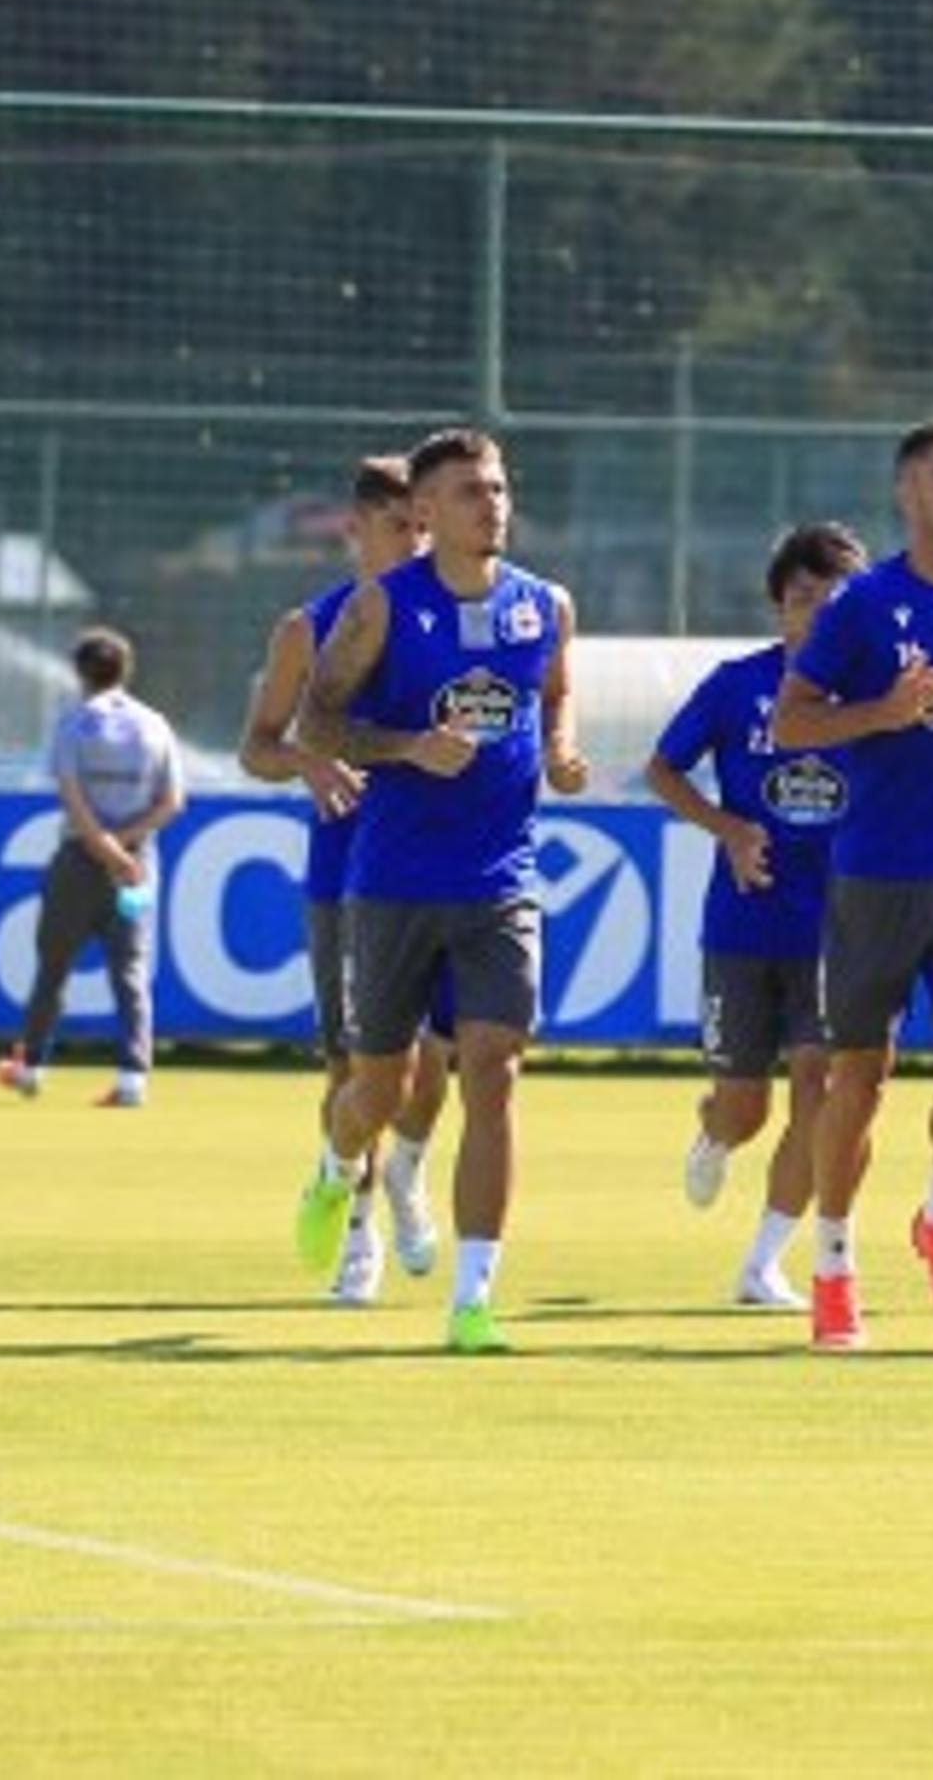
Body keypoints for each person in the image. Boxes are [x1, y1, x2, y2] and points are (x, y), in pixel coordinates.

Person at [293, 427, 587, 1354]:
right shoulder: (382, 607)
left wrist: (565, 750)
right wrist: (405, 746)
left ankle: (474, 1297)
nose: (491, 504)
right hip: (393, 883)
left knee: (492, 1077)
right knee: (376, 1090)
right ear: (424, 512)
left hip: (502, 881)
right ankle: (339, 1164)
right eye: (468, 491)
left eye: (498, 487)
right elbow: (316, 718)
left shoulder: (546, 606)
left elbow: (553, 696)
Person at [769, 421, 933, 1351]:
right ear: (905, 495)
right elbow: (793, 724)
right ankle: (833, 1264)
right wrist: (885, 711)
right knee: (859, 1081)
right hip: (876, 873)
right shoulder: (863, 607)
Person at [233, 456, 454, 1305]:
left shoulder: (463, 616)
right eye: (401, 525)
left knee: (437, 1067)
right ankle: (359, 1234)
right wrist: (304, 762)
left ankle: (406, 1170)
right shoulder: (310, 627)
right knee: (357, 1067)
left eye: (426, 526)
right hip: (350, 877)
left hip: (446, 869)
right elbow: (257, 743)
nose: (417, 541)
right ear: (356, 530)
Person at [646, 523, 866, 1309]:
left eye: (833, 600)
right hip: (742, 928)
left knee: (822, 1085)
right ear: (780, 607)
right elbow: (661, 768)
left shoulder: (877, 700)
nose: (817, 614)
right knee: (745, 1105)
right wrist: (729, 829)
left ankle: (763, 1261)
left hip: (838, 935)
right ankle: (713, 1131)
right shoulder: (737, 686)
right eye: (802, 598)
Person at [0, 625, 184, 1108]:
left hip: (81, 859)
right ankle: (133, 1079)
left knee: (52, 967)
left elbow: (74, 803)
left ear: (80, 673)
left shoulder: (75, 723)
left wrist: (104, 846)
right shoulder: (155, 724)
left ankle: (32, 1068)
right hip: (137, 861)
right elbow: (173, 801)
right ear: (127, 669)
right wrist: (125, 848)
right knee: (131, 970)